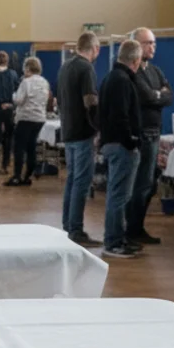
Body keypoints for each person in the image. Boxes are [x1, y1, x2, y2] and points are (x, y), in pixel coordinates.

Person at [126, 28, 174, 246]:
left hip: (156, 132)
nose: (152, 47)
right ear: (136, 45)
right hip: (142, 133)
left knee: (150, 184)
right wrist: (158, 94)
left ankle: (138, 226)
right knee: (140, 184)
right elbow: (145, 96)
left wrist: (158, 95)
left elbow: (169, 95)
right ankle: (131, 229)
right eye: (147, 43)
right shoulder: (133, 72)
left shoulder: (155, 70)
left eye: (153, 43)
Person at [98, 40, 145, 259]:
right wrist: (131, 140)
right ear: (135, 60)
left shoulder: (110, 77)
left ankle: (117, 237)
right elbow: (122, 116)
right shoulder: (122, 81)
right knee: (118, 195)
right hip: (121, 145)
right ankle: (113, 241)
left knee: (118, 194)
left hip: (111, 142)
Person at [58, 31, 103, 246]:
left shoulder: (65, 66)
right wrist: (99, 127)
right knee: (82, 183)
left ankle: (68, 226)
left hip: (68, 131)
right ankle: (76, 229)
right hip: (83, 132)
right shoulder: (86, 68)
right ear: (95, 49)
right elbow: (90, 101)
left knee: (73, 180)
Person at [5, 57, 49, 187]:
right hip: (39, 118)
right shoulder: (44, 82)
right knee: (31, 147)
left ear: (28, 68)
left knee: (19, 147)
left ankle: (17, 176)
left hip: (26, 117)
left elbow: (19, 100)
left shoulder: (26, 82)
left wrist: (13, 96)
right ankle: (27, 176)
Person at [0, 51, 21, 177]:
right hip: (9, 108)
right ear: (7, 61)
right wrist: (10, 104)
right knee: (8, 138)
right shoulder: (13, 74)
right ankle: (5, 165)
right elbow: (17, 91)